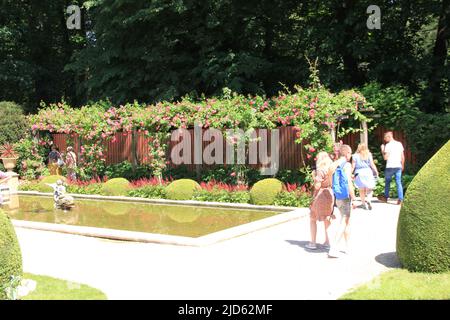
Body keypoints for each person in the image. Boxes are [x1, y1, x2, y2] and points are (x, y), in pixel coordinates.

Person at [328, 144, 357, 258]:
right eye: (350, 153)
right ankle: (333, 248)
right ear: (347, 154)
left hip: (338, 195)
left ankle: (347, 246)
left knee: (347, 221)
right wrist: (354, 198)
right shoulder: (347, 165)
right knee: (344, 221)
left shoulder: (334, 164)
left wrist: (334, 189)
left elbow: (330, 177)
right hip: (345, 196)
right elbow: (349, 183)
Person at [306, 152, 335, 250]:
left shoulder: (320, 170)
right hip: (330, 194)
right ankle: (328, 242)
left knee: (313, 218)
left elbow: (317, 186)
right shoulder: (331, 169)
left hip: (321, 195)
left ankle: (313, 243)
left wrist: (314, 177)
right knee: (327, 218)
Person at [379, 132, 405, 205]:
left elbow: (385, 158)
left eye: (385, 137)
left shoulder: (388, 145)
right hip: (398, 166)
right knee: (398, 182)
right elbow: (402, 156)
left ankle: (385, 198)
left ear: (389, 137)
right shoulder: (399, 144)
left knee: (387, 182)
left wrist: (382, 149)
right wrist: (402, 165)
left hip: (390, 166)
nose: (384, 139)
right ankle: (400, 199)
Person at [352, 143, 379, 210]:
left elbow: (353, 166)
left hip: (359, 173)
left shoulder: (355, 156)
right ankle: (369, 200)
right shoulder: (369, 155)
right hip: (368, 172)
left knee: (361, 189)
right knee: (369, 188)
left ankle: (363, 204)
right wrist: (376, 171)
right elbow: (372, 164)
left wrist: (350, 173)